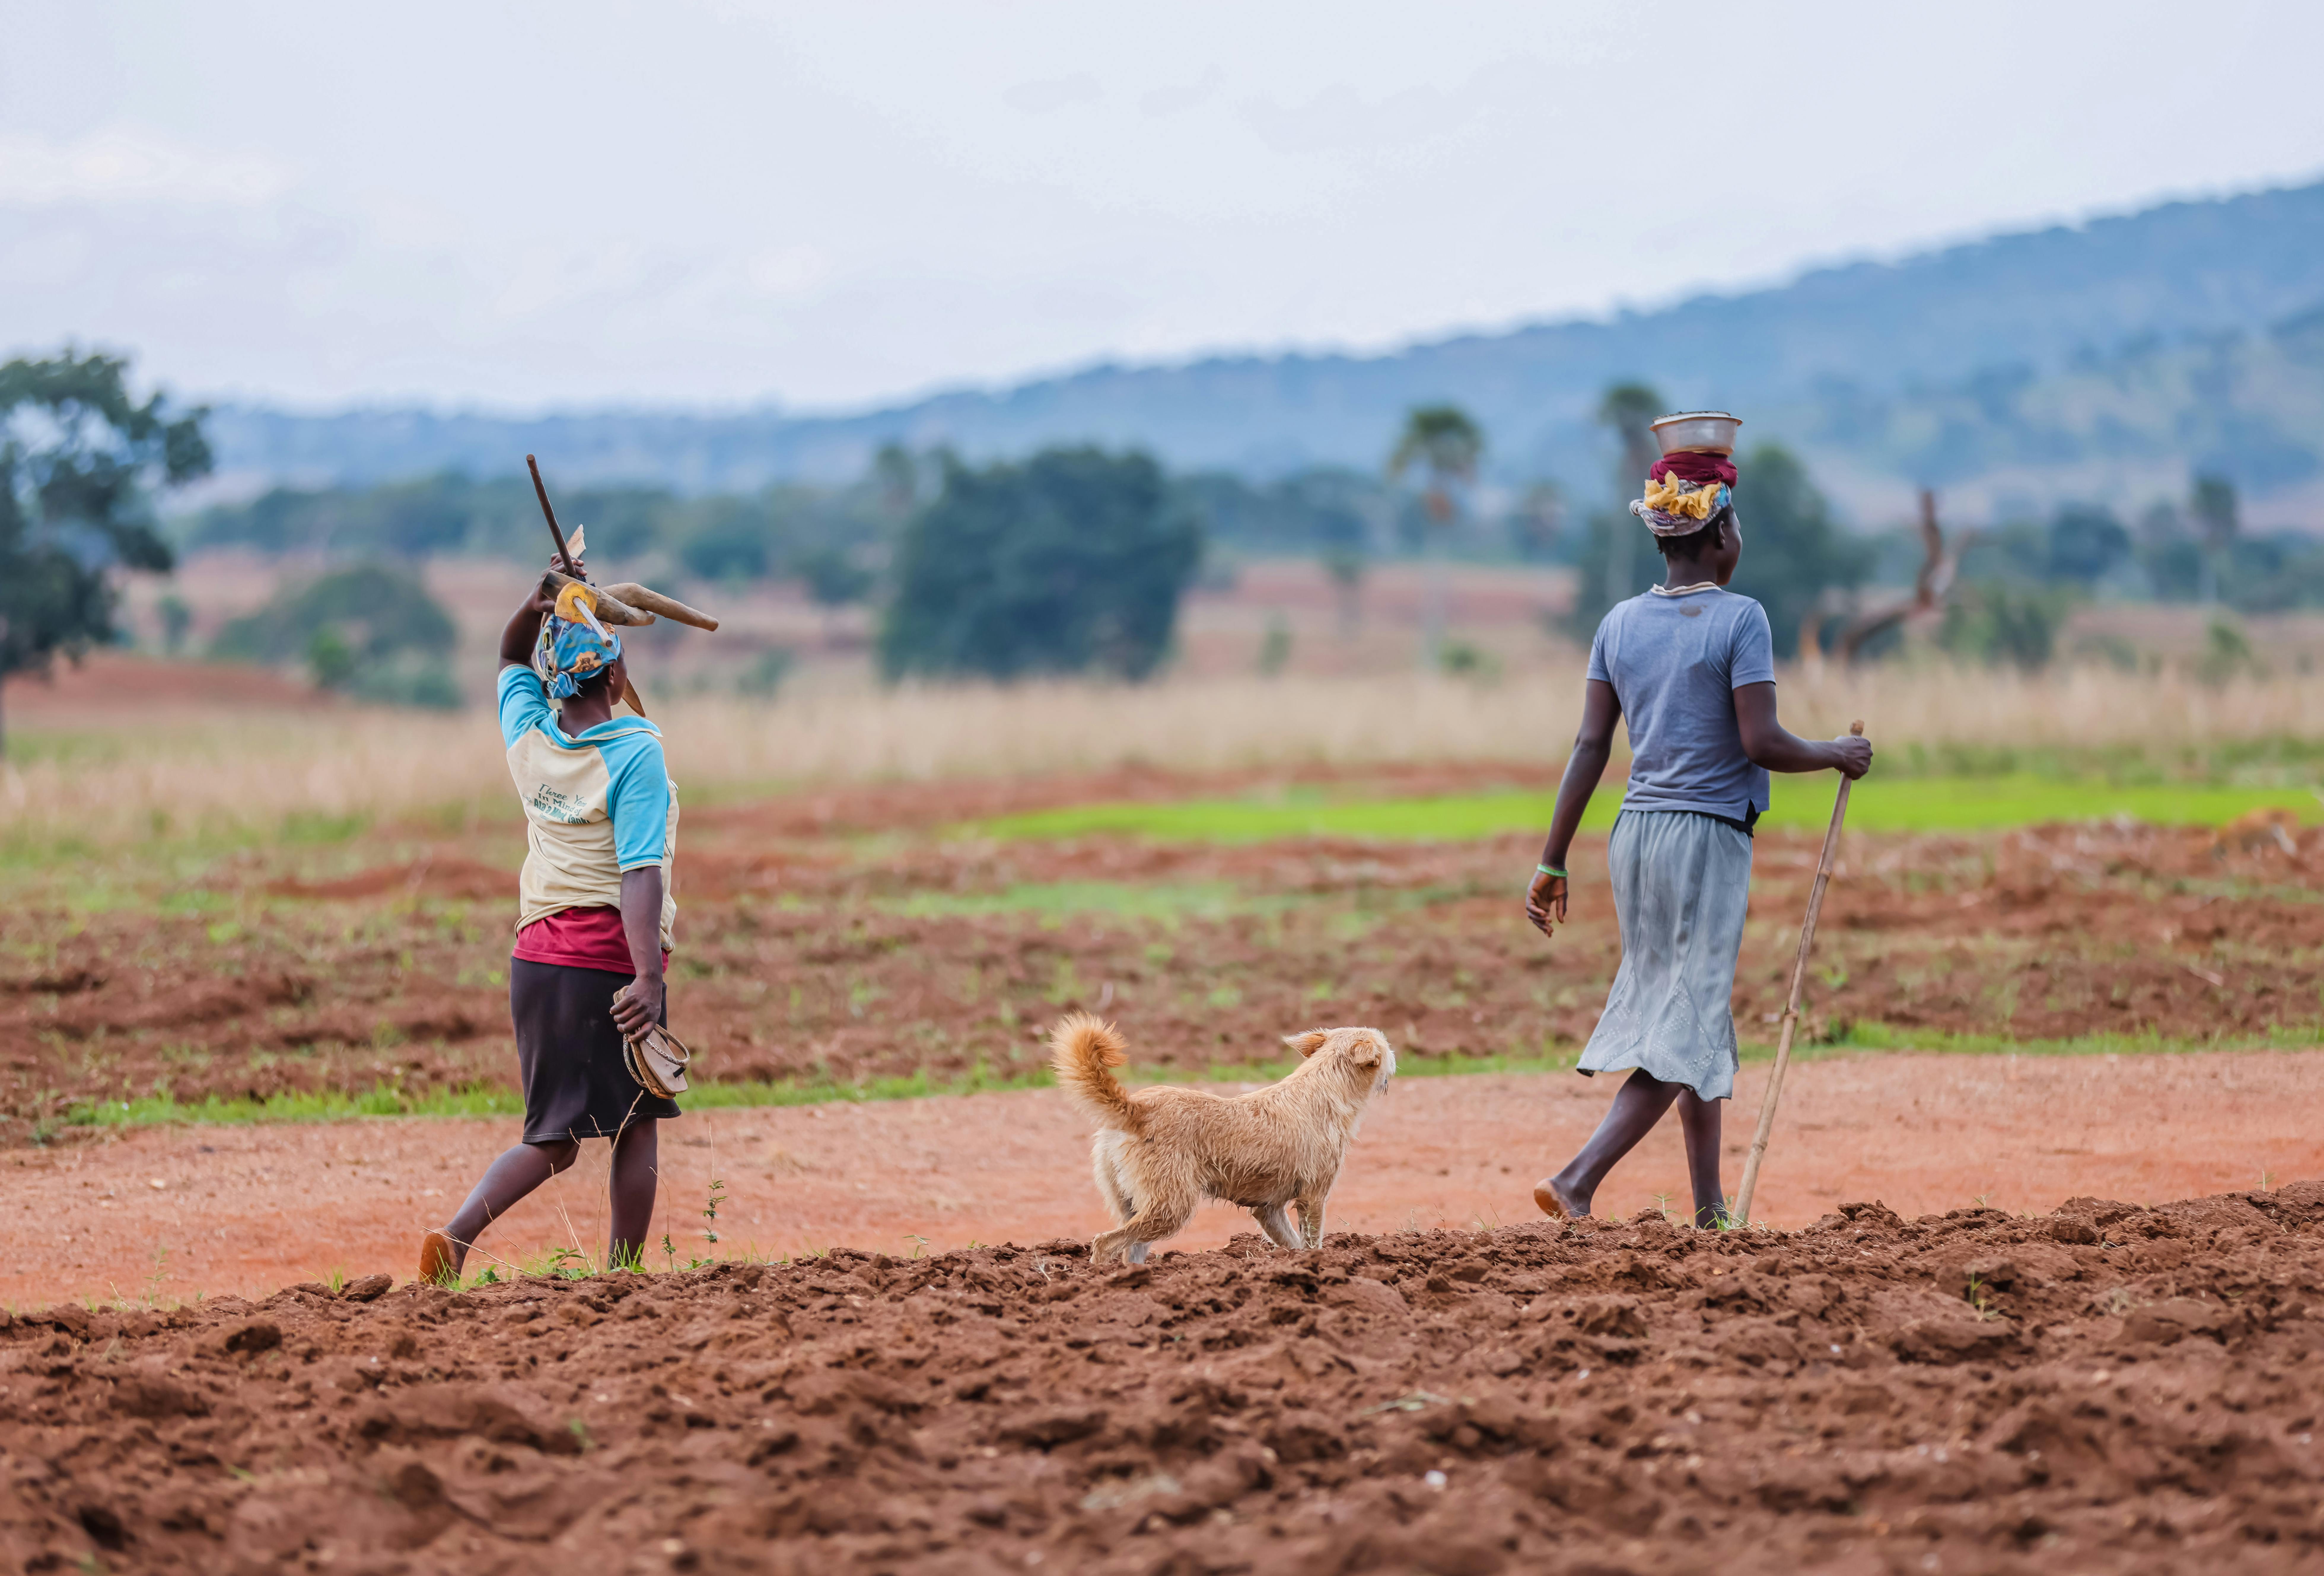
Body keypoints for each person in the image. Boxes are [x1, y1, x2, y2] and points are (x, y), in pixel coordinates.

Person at [1523, 432, 1870, 1229]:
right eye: (1737, 527)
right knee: (1683, 1022)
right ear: (1719, 536)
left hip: (1633, 838)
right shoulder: (1741, 619)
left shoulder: (1617, 623)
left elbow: (1588, 748)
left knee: (1692, 1013)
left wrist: (1551, 860)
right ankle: (1578, 1178)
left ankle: (1711, 1212)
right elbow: (1762, 743)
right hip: (1703, 840)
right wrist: (1835, 755)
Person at [418, 556, 681, 1281]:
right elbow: (639, 873)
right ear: (618, 677)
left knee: (554, 1136)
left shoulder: (529, 733)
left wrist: (536, 604)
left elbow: (508, 656)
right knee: (637, 1121)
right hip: (607, 958)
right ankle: (623, 1277)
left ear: (554, 680)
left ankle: (460, 1236)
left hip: (535, 960)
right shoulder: (637, 752)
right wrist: (649, 979)